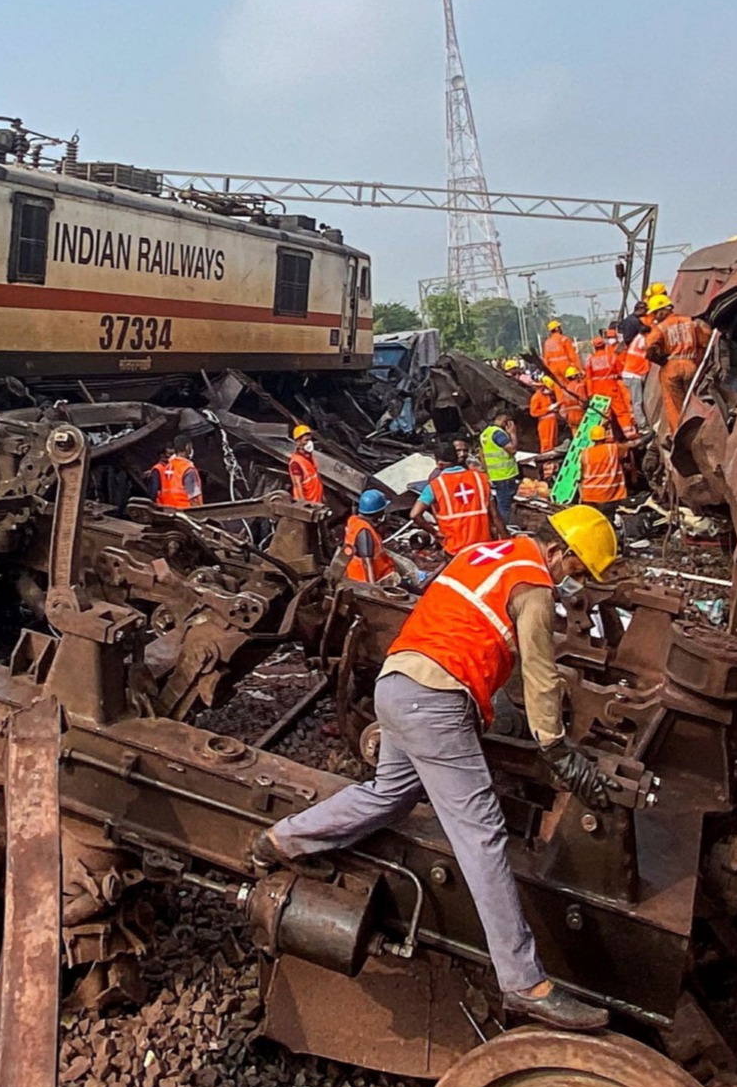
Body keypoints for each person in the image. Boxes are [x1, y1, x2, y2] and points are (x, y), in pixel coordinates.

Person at [251, 507, 625, 1032]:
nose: (570, 582)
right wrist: (558, 750)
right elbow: (541, 674)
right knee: (481, 837)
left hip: (397, 684)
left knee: (389, 794)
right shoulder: (534, 585)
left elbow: (462, 626)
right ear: (562, 552)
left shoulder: (483, 553)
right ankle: (523, 982)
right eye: (577, 572)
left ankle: (281, 841)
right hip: (436, 701)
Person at [409, 440, 498, 555]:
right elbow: (495, 516)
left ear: (439, 464)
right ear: (456, 458)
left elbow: (414, 514)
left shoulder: (435, 486)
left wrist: (434, 532)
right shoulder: (480, 479)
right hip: (482, 545)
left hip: (454, 547)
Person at [649, 295, 712, 432]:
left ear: (662, 310)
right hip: (691, 366)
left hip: (671, 367)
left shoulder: (660, 328)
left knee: (673, 406)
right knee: (692, 401)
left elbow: (649, 349)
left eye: (655, 312)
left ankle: (677, 434)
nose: (654, 316)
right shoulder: (691, 322)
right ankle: (701, 429)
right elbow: (706, 337)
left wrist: (661, 360)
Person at [342, 488, 400, 585]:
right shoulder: (364, 531)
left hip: (354, 574)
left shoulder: (354, 521)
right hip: (364, 580)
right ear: (378, 512)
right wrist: (372, 590)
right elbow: (367, 563)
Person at [584, 330, 636, 437]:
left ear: (594, 347)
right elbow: (620, 372)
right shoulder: (612, 357)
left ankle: (606, 436)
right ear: (604, 345)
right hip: (612, 388)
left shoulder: (590, 360)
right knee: (621, 411)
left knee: (602, 415)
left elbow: (588, 378)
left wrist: (590, 394)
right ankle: (629, 432)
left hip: (597, 392)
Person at [577, 415, 631, 517]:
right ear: (604, 437)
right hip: (608, 494)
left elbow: (582, 473)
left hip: (589, 494)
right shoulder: (612, 449)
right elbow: (630, 446)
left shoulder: (585, 453)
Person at [478, 412, 521, 533]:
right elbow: (512, 449)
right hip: (505, 475)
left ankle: (500, 528)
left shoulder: (485, 434)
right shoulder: (498, 434)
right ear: (507, 423)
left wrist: (487, 473)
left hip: (495, 475)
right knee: (504, 506)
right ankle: (504, 531)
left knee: (499, 504)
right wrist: (513, 433)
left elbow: (481, 456)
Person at [149, 441, 203, 509]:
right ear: (187, 447)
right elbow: (194, 498)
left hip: (168, 510)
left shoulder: (167, 467)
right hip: (185, 510)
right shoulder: (187, 468)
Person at [287, 424, 324, 506]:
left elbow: (315, 476)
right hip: (307, 502)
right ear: (298, 442)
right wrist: (303, 504)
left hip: (315, 500)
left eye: (310, 440)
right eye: (306, 440)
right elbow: (297, 484)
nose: (309, 443)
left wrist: (322, 495)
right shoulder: (296, 462)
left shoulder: (310, 457)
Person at [529, 377, 565, 453]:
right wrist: (548, 409)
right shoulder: (536, 397)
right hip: (545, 422)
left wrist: (554, 409)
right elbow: (533, 412)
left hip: (552, 421)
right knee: (547, 442)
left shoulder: (546, 396)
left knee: (553, 441)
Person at [540, 319, 582, 385]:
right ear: (557, 328)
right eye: (559, 327)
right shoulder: (564, 339)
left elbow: (546, 359)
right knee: (570, 387)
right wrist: (579, 369)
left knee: (559, 388)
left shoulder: (547, 342)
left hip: (553, 369)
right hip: (565, 368)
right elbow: (572, 356)